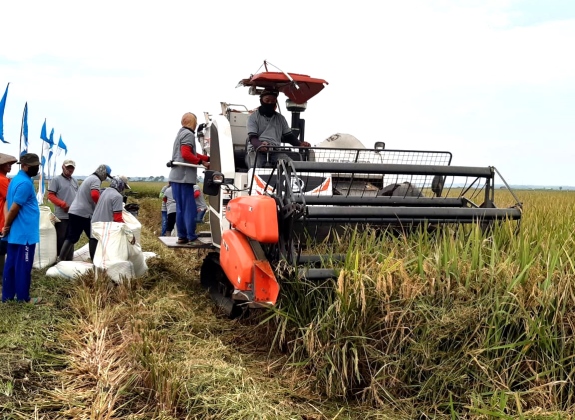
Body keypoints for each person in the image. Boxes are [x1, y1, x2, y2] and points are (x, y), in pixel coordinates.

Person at [2, 153, 41, 304]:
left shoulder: (15, 180)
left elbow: (7, 203)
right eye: (34, 166)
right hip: (24, 233)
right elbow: (14, 208)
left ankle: (7, 296)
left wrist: (7, 225)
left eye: (37, 166)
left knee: (11, 264)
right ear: (24, 166)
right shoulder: (25, 183)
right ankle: (23, 298)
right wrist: (7, 224)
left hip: (16, 233)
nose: (36, 169)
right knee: (23, 266)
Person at [168, 112, 210, 245]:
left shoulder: (180, 134)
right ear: (191, 122)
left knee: (180, 208)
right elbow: (186, 154)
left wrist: (206, 158)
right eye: (195, 122)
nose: (196, 124)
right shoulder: (188, 134)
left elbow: (190, 152)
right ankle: (191, 236)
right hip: (184, 178)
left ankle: (182, 236)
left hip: (176, 178)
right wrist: (201, 162)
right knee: (189, 208)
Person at [59, 164, 112, 261]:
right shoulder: (96, 180)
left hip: (80, 212)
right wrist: (101, 205)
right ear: (103, 172)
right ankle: (62, 258)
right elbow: (95, 195)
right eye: (106, 175)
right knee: (77, 236)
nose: (105, 178)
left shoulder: (91, 178)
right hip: (81, 213)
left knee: (88, 235)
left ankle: (93, 259)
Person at [245, 90, 310, 168]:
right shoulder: (252, 117)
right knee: (256, 166)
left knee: (289, 164)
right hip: (256, 150)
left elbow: (289, 136)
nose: (270, 103)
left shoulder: (281, 118)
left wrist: (300, 144)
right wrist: (260, 145)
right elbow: (252, 138)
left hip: (275, 151)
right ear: (261, 100)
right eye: (267, 100)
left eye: (273, 101)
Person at [89, 175, 130, 257]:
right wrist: (127, 231)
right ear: (120, 184)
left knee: (94, 257)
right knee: (104, 258)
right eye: (124, 187)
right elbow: (117, 218)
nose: (123, 189)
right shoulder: (118, 197)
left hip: (94, 226)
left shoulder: (103, 191)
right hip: (104, 229)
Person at [47, 159, 79, 255]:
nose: (70, 170)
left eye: (72, 168)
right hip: (61, 215)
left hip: (73, 215)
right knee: (61, 237)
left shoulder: (75, 181)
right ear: (63, 167)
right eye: (68, 167)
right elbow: (50, 195)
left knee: (71, 238)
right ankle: (59, 259)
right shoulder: (56, 180)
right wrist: (63, 204)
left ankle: (69, 258)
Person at [0, 153, 18, 277]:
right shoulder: (2, 180)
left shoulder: (5, 179)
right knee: (1, 249)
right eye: (7, 164)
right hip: (2, 217)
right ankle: (2, 275)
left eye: (10, 164)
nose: (10, 166)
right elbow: (11, 196)